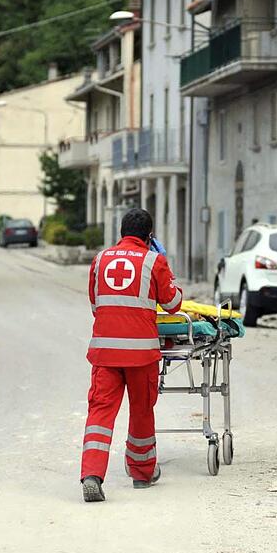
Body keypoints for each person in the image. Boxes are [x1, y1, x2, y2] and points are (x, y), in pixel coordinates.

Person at [80, 208, 182, 502]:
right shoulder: (154, 260)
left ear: (121, 232)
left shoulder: (100, 260)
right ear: (150, 236)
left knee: (99, 414)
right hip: (141, 354)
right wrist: (167, 269)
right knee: (141, 410)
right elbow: (173, 303)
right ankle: (141, 473)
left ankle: (91, 475)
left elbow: (96, 304)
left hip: (105, 353)